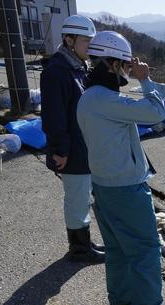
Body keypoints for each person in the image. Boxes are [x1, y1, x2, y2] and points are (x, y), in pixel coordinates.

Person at [77, 31, 165, 305]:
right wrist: (144, 79)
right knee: (145, 248)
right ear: (110, 63)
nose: (126, 69)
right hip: (126, 188)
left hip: (104, 185)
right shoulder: (106, 99)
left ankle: (120, 297)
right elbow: (157, 114)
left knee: (117, 247)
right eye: (123, 64)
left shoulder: (89, 96)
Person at [41, 15, 104, 263]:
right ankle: (79, 249)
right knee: (77, 199)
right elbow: (54, 116)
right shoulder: (57, 71)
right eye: (86, 40)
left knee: (82, 196)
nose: (90, 44)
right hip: (70, 150)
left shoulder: (77, 66)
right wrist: (59, 150)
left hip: (82, 146)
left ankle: (84, 242)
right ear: (69, 39)